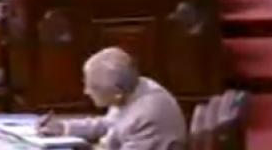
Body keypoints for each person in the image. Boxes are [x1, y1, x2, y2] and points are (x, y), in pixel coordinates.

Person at [39, 47, 186, 149]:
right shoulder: (133, 86)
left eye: (93, 87)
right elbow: (108, 124)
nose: (86, 92)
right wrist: (64, 128)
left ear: (117, 93)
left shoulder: (147, 118)